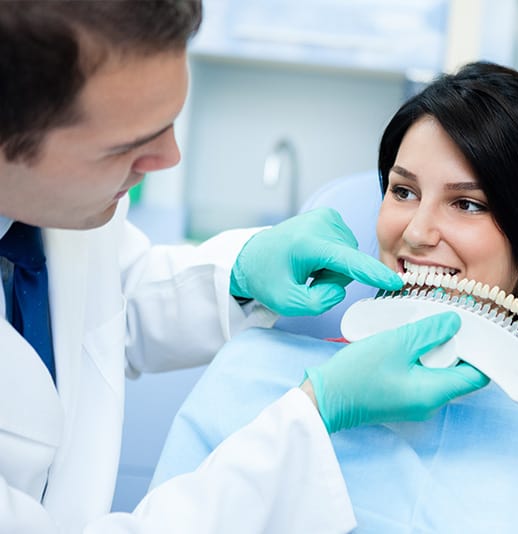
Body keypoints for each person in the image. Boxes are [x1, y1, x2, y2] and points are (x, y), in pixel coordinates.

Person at [152, 62, 518, 532]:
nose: (416, 232)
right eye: (403, 191)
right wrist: (316, 408)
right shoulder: (252, 377)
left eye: (467, 204)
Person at [0, 2, 488, 532]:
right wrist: (313, 415)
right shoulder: (244, 388)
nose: (170, 157)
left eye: (167, 122)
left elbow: (105, 299)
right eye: (125, 147)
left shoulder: (52, 211)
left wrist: (238, 274)